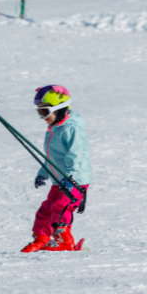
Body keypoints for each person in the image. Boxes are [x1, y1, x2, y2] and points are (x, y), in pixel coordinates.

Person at [22, 85, 92, 253]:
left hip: (74, 181)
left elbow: (77, 156)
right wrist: (43, 174)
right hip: (60, 181)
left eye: (45, 112)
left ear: (59, 109)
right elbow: (51, 158)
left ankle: (65, 241)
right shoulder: (54, 129)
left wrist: (71, 179)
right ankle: (42, 239)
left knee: (61, 207)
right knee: (45, 210)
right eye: (40, 113)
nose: (42, 117)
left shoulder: (71, 129)